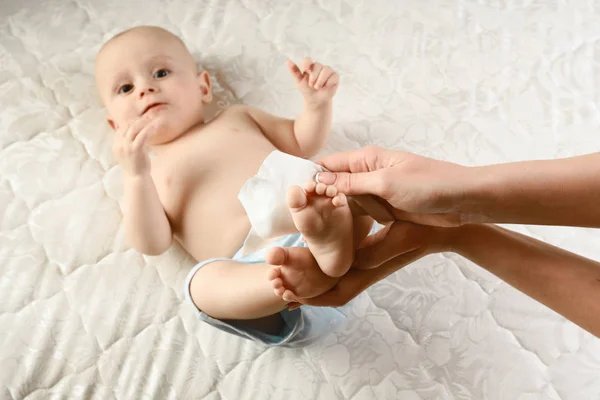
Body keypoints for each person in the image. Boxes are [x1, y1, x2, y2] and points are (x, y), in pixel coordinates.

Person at [94, 25, 381, 346]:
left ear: (203, 87)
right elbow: (153, 243)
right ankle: (307, 273)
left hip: (305, 223)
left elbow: (302, 142)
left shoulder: (237, 118)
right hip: (262, 278)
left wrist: (316, 105)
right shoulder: (148, 177)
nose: (145, 89)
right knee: (201, 285)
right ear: (115, 125)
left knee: (340, 184)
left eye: (161, 73)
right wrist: (134, 176)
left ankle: (331, 247)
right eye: (125, 88)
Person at [267, 146, 600, 337]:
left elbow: (298, 135)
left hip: (268, 244)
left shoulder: (238, 119)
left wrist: (316, 104)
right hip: (250, 245)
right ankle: (330, 260)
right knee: (216, 284)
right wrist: (458, 210)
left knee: (228, 282)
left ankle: (329, 263)